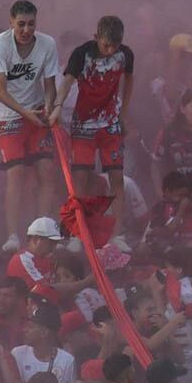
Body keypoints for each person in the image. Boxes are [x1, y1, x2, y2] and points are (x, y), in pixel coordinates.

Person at [0, 0, 60, 252]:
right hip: (7, 114)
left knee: (47, 169)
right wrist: (25, 113)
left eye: (31, 24)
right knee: (15, 173)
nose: (26, 30)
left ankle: (44, 230)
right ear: (11, 22)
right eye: (21, 24)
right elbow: (0, 88)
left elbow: (50, 85)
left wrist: (50, 108)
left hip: (36, 111)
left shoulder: (48, 43)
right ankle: (12, 235)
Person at [55, 15, 135, 233]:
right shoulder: (81, 54)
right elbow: (67, 82)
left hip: (110, 125)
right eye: (106, 45)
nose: (110, 50)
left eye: (115, 46)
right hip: (83, 126)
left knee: (116, 178)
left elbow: (129, 82)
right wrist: (57, 108)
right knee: (78, 181)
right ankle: (75, 231)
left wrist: (123, 114)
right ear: (96, 37)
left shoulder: (125, 54)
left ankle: (117, 233)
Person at [9, 304, 75, 383]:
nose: (25, 330)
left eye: (31, 327)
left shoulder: (67, 360)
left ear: (44, 332)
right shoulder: (18, 354)